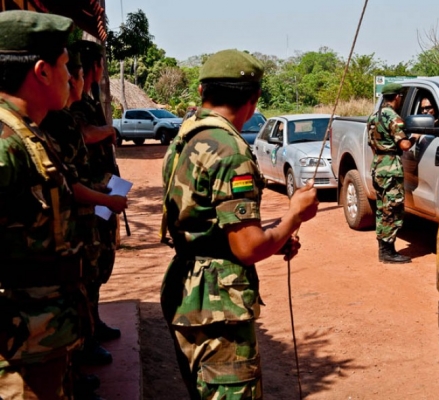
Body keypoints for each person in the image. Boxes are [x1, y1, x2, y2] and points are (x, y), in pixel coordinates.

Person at [161, 49, 319, 399]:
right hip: (217, 306)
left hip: (187, 291)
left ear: (202, 92)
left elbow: (206, 223)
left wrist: (274, 236)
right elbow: (246, 248)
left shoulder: (187, 136)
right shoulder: (229, 150)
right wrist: (294, 215)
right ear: (254, 98)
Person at [0, 10, 86, 398]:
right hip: (17, 352)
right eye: (66, 66)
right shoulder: (5, 143)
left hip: (42, 339)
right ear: (42, 71)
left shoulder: (29, 133)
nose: (71, 77)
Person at [41, 46, 127, 399]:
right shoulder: (59, 117)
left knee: (93, 273)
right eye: (66, 71)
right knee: (84, 278)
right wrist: (106, 197)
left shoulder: (76, 106)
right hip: (81, 212)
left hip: (93, 204)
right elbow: (68, 180)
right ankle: (81, 352)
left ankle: (85, 343)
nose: (71, 80)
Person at [69, 39, 122, 366]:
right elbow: (84, 134)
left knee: (100, 260)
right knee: (90, 264)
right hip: (90, 194)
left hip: (102, 191)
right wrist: (108, 130)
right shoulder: (73, 104)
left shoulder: (87, 98)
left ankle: (95, 323)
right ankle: (86, 339)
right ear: (92, 67)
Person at [367, 83, 413, 264]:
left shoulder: (373, 117)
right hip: (391, 167)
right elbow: (404, 145)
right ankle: (387, 251)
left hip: (378, 164)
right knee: (392, 208)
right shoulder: (393, 118)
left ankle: (384, 249)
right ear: (397, 97)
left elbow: (372, 144)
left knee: (382, 208)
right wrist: (414, 139)